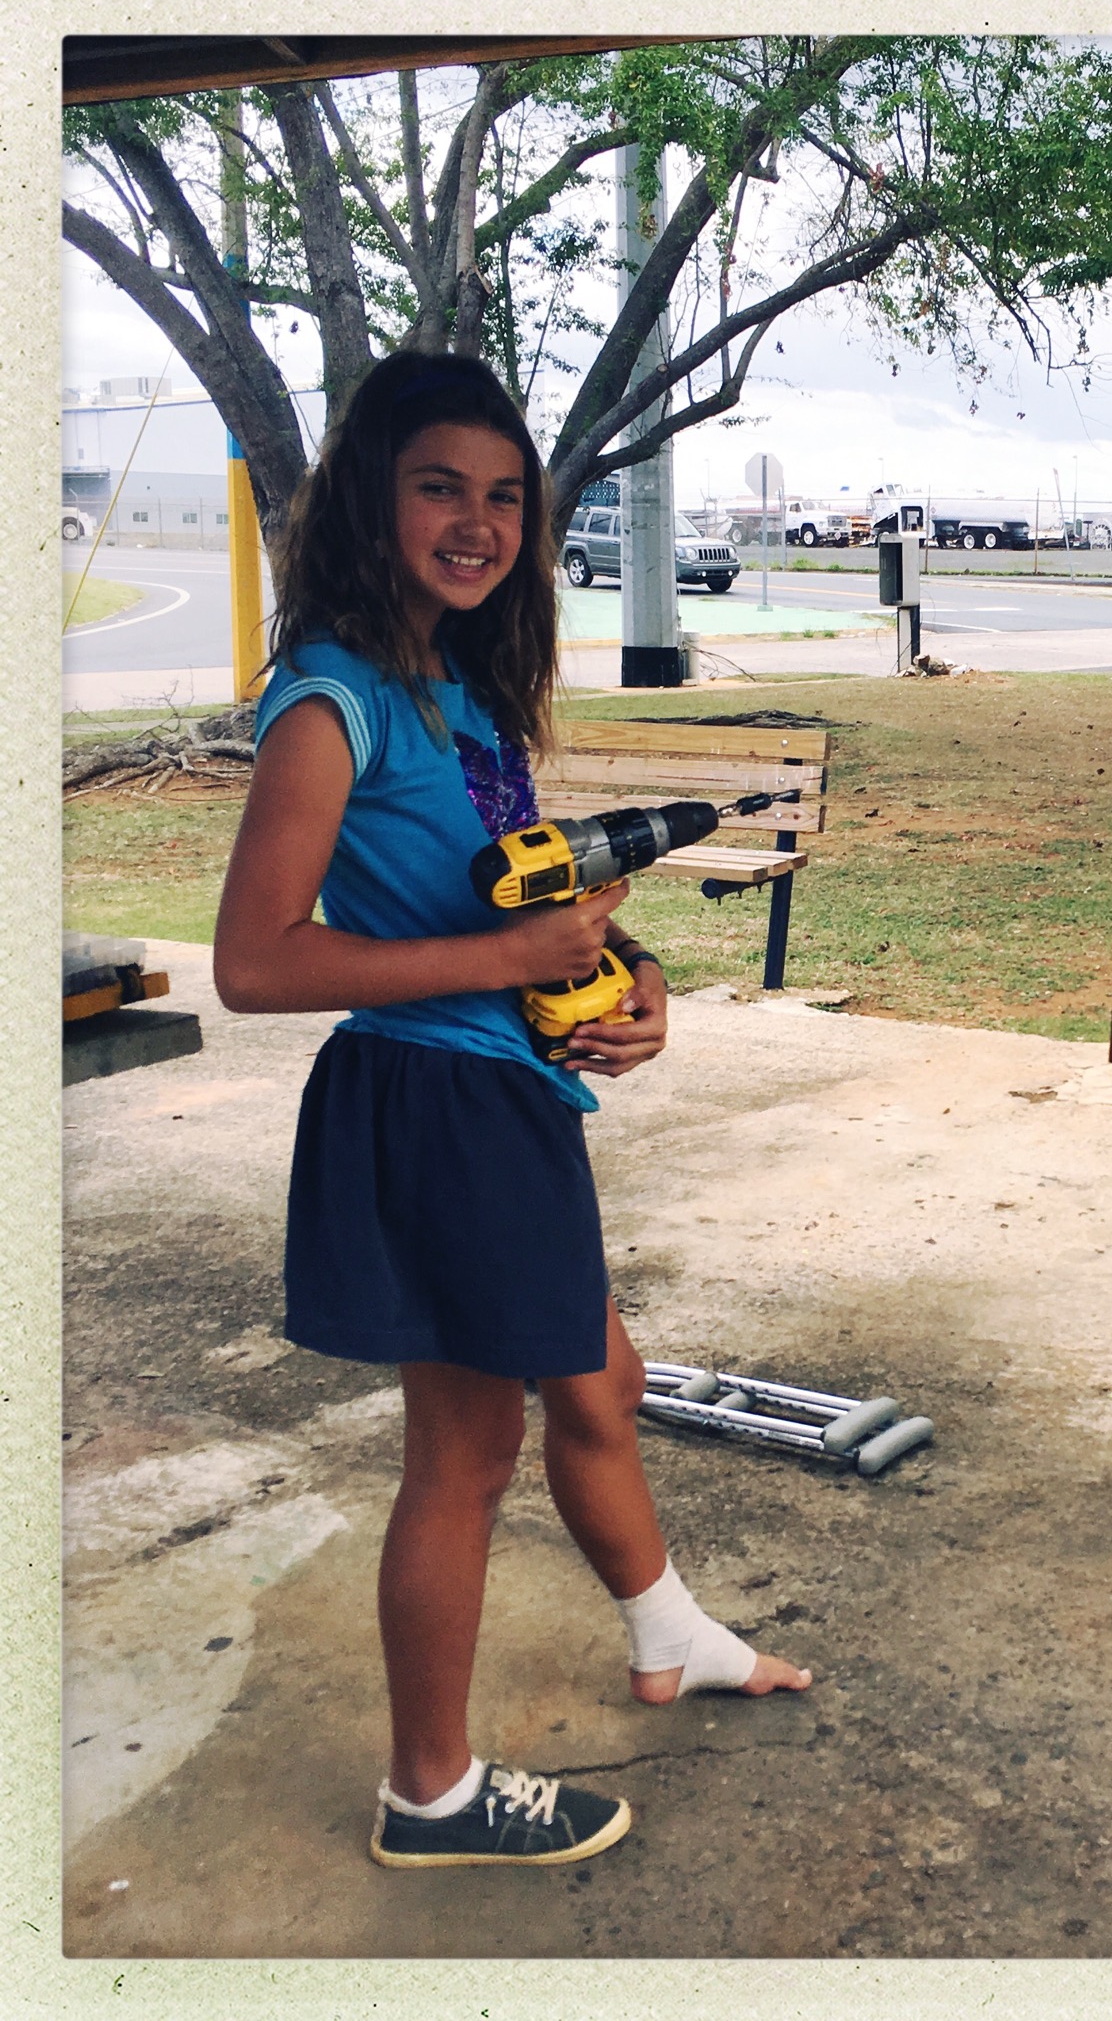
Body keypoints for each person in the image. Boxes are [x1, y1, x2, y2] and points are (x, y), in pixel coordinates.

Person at [212, 350, 810, 1872]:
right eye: (439, 488)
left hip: (512, 1095)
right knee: (466, 1458)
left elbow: (542, 890)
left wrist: (638, 978)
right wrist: (506, 962)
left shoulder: (463, 696)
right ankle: (431, 1792)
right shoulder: (332, 701)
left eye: (503, 498)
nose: (476, 524)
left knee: (600, 1379)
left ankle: (669, 1635)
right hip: (437, 1103)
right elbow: (253, 960)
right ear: (371, 498)